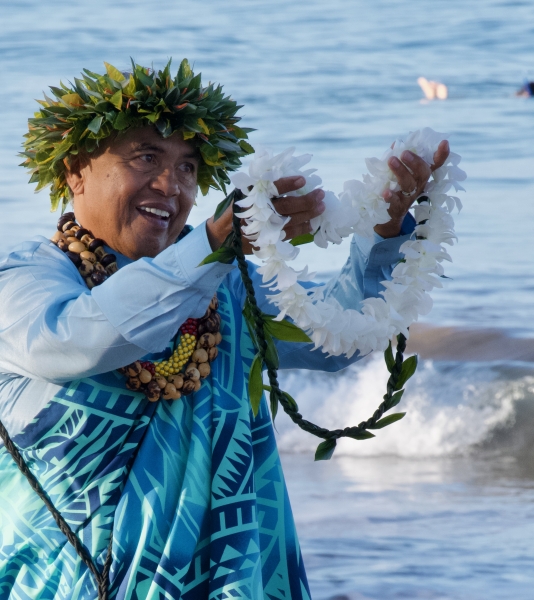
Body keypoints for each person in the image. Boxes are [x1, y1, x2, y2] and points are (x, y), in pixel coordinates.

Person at [0, 60, 449, 599]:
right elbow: (74, 341)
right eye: (147, 157)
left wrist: (382, 234)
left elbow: (335, 339)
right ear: (75, 169)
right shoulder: (27, 279)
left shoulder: (224, 289)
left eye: (188, 167)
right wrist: (215, 245)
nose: (170, 185)